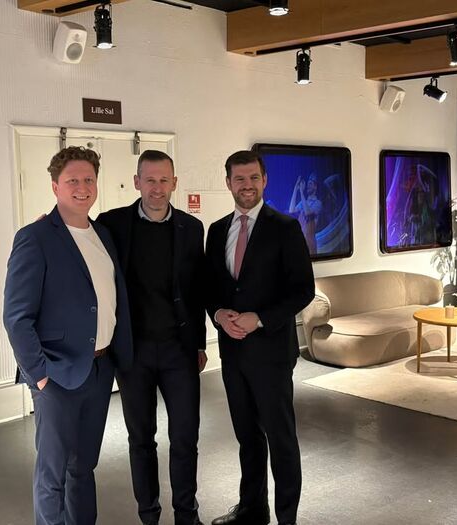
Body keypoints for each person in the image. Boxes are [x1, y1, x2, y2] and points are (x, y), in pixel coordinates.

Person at [3, 146, 133, 525]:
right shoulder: (35, 237)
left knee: (84, 467)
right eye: (72, 180)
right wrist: (39, 375)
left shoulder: (103, 235)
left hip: (100, 370)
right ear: (55, 186)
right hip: (57, 374)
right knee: (53, 473)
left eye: (88, 179)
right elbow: (16, 317)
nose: (82, 187)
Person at [97, 149, 206, 525]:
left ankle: (186, 515)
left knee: (186, 438)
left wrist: (200, 343)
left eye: (164, 180)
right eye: (150, 180)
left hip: (179, 351)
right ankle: (149, 515)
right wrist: (47, 225)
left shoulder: (192, 229)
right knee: (141, 439)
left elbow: (196, 290)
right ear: (136, 182)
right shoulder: (112, 224)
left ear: (174, 183)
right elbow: (78, 239)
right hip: (134, 353)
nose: (157, 188)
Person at [205, 151, 315, 525]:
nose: (247, 185)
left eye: (253, 177)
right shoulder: (217, 230)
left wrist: (261, 319)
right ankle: (252, 510)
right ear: (228, 183)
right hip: (232, 353)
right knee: (247, 437)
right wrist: (218, 314)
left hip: (271, 353)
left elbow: (303, 289)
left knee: (281, 440)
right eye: (239, 178)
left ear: (264, 180)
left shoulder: (285, 227)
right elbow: (210, 286)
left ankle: (287, 518)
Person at [288, 173, 323, 254]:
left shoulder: (318, 203)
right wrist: (295, 189)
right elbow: (291, 210)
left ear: (315, 187)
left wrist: (301, 192)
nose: (307, 186)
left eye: (310, 183)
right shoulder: (303, 203)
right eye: (307, 184)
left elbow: (308, 213)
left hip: (310, 244)